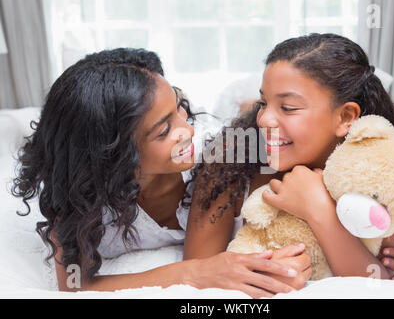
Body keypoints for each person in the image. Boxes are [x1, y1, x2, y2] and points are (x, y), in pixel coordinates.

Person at [12, 48, 311, 298]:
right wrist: (191, 273)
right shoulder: (79, 203)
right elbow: (77, 285)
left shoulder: (217, 160)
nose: (188, 129)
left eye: (180, 107)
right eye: (165, 129)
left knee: (243, 116)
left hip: (223, 142)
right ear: (115, 155)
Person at [184, 34, 394, 281]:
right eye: (263, 103)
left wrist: (318, 209)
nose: (264, 120)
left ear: (345, 117)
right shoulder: (229, 163)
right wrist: (265, 270)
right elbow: (197, 274)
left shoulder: (376, 175)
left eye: (288, 108)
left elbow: (377, 282)